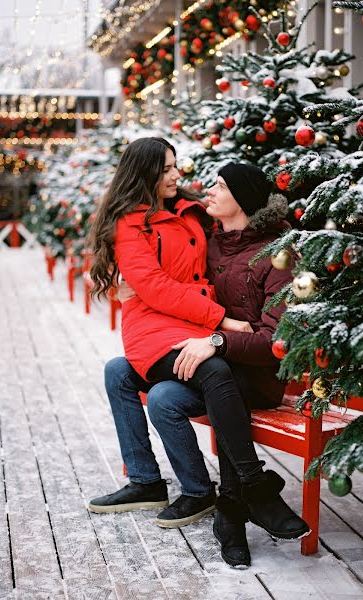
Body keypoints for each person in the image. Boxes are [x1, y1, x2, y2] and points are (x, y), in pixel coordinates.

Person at [88, 138, 309, 568]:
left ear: (240, 200)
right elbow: (158, 278)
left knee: (178, 391)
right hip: (192, 335)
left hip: (237, 356)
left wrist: (215, 336)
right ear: (147, 174)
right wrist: (214, 322)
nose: (190, 181)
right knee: (119, 370)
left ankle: (226, 502)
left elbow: (273, 335)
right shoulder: (206, 233)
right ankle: (172, 482)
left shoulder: (256, 247)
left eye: (219, 186)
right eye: (168, 169)